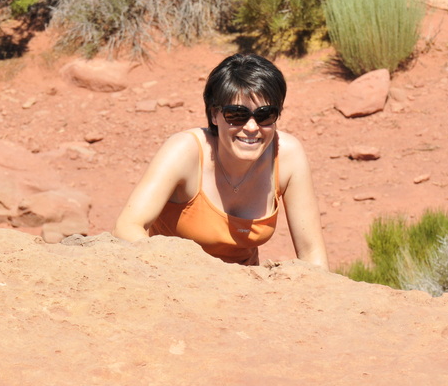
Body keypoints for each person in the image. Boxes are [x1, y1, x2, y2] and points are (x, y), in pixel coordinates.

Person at [114, 53, 328, 268]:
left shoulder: (287, 155)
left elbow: (312, 253)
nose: (251, 127)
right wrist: (181, 274)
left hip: (245, 283)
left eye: (265, 115)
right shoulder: (185, 151)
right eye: (237, 115)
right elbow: (127, 227)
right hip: (175, 276)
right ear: (215, 115)